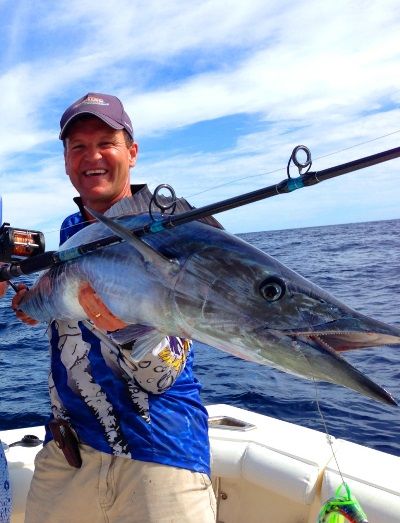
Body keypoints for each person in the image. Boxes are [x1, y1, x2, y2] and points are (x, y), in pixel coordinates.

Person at [12, 93, 217, 523]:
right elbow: (54, 308)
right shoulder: (72, 231)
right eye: (78, 147)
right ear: (66, 160)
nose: (93, 157)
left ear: (133, 152)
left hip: (160, 455)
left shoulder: (175, 228)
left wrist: (126, 331)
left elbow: (162, 375)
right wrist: (31, 305)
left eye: (106, 142)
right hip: (69, 457)